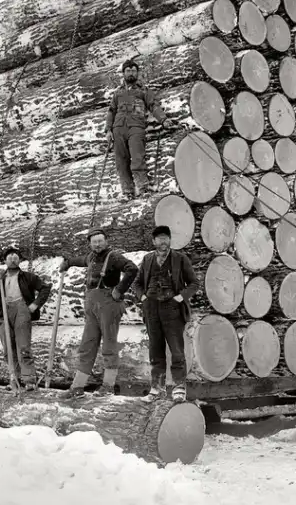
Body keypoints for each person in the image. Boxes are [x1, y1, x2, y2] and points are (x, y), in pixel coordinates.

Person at [60, 228, 138, 398]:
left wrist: (119, 289)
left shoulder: (114, 257)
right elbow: (80, 260)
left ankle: (108, 386)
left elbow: (132, 269)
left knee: (109, 345)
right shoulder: (91, 257)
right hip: (92, 305)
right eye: (94, 241)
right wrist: (68, 262)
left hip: (109, 304)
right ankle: (78, 387)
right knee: (87, 344)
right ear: (90, 243)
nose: (97, 244)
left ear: (106, 241)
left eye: (100, 241)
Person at [132, 225, 198, 403]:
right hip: (152, 310)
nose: (163, 241)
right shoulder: (147, 260)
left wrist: (180, 297)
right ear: (154, 241)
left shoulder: (180, 259)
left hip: (172, 310)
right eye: (159, 238)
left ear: (170, 240)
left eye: (165, 238)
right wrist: (143, 297)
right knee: (155, 351)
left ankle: (179, 387)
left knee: (176, 350)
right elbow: (136, 283)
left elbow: (194, 283)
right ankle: (157, 388)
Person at [105, 59, 177, 199]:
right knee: (121, 161)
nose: (131, 73)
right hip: (118, 129)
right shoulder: (117, 93)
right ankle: (127, 192)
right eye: (128, 70)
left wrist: (163, 120)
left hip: (136, 128)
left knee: (138, 158)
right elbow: (111, 111)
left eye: (133, 70)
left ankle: (143, 188)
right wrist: (108, 130)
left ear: (137, 73)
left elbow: (153, 105)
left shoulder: (144, 90)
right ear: (124, 73)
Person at [0, 247, 51, 391]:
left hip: (22, 310)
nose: (13, 259)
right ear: (5, 261)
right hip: (3, 312)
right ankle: (14, 378)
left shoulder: (28, 277)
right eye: (10, 257)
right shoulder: (1, 277)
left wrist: (35, 305)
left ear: (19, 260)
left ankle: (29, 379)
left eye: (15, 257)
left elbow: (45, 288)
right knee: (8, 348)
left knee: (23, 346)